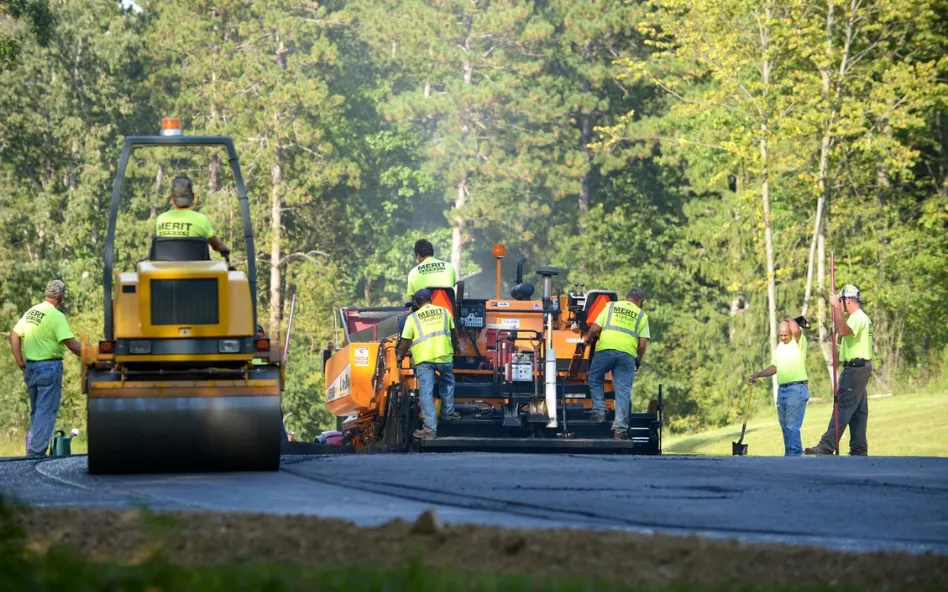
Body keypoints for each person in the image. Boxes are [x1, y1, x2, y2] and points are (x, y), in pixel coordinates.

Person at [8, 280, 82, 456]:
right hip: (49, 368)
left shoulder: (32, 312)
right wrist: (90, 355)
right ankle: (35, 454)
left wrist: (20, 362)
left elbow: (14, 335)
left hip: (31, 368)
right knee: (46, 411)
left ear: (47, 293)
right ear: (61, 296)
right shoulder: (56, 316)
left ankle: (33, 449)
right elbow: (70, 343)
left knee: (37, 411)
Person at [805, 285, 873, 456]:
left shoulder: (857, 317)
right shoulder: (859, 318)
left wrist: (835, 307)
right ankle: (859, 448)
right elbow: (844, 336)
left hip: (855, 370)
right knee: (858, 410)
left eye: (841, 301)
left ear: (847, 300)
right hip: (860, 368)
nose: (840, 304)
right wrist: (836, 313)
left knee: (842, 406)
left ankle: (826, 446)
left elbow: (843, 330)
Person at [584, 287, 650, 440]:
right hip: (627, 355)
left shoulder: (611, 306)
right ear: (640, 301)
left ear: (627, 297)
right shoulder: (642, 315)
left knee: (594, 377)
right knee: (623, 391)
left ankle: (599, 412)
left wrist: (588, 338)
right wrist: (639, 359)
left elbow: (595, 328)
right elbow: (642, 344)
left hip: (605, 350)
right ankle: (620, 430)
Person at [396, 288, 461, 439]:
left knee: (426, 392)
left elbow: (405, 341)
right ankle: (448, 412)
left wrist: (400, 356)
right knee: (448, 383)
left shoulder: (413, 318)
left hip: (425, 360)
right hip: (444, 356)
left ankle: (430, 430)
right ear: (431, 299)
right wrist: (456, 346)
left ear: (416, 304)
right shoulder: (444, 312)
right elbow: (454, 332)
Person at [749, 317, 809, 456]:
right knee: (785, 426)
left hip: (796, 388)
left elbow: (796, 330)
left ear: (791, 332)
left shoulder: (799, 342)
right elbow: (774, 367)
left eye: (785, 335)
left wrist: (790, 319)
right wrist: (759, 374)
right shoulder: (780, 347)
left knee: (792, 425)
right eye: (780, 335)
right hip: (782, 390)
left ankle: (794, 456)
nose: (782, 337)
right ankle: (789, 455)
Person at [155, 175, 231, 256]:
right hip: (195, 264)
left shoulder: (161, 219)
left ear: (172, 199)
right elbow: (217, 246)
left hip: (166, 264)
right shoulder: (201, 220)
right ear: (193, 197)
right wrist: (226, 249)